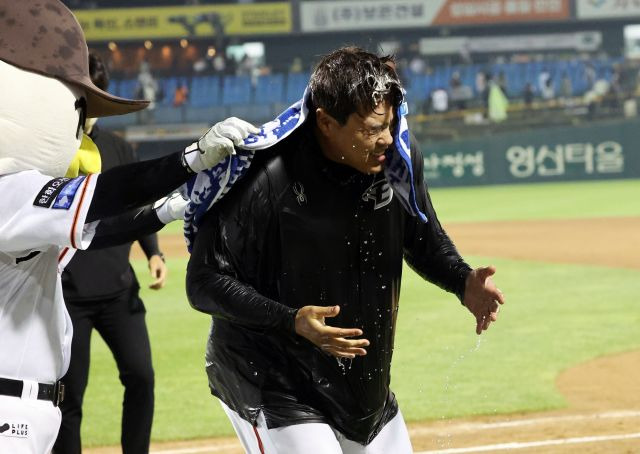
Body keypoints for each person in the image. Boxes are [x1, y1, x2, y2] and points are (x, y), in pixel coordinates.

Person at [186, 47, 504, 454]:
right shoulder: (264, 173)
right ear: (325, 121)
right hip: (270, 379)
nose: (386, 139)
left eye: (389, 124)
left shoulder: (396, 159)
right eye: (371, 128)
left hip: (360, 385)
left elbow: (422, 238)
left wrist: (462, 280)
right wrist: (290, 320)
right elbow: (204, 281)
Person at [0, 2, 258, 452]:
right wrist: (191, 158)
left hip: (30, 408)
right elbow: (107, 193)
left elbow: (97, 228)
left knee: (136, 378)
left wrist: (166, 211)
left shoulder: (21, 205)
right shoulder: (9, 190)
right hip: (9, 412)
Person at [53, 53, 166, 454]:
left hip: (120, 292)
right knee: (68, 397)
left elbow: (138, 205)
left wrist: (154, 253)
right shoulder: (52, 150)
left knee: (142, 377)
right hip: (68, 299)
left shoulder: (119, 149)